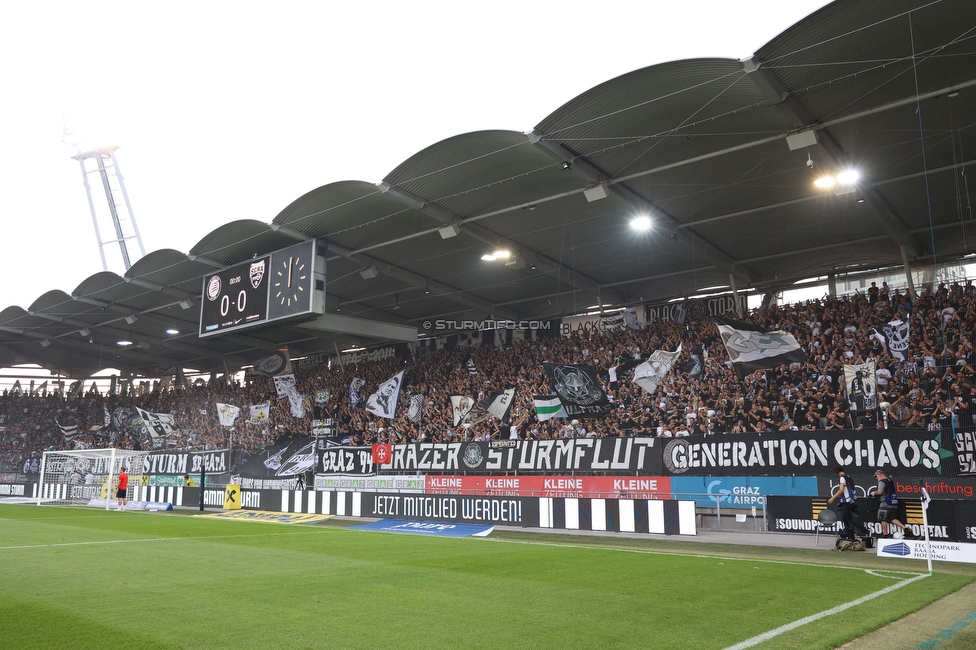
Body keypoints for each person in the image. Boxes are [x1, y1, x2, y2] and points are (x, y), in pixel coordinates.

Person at [873, 469, 910, 538]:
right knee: (892, 518)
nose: (876, 478)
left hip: (885, 503)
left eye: (876, 476)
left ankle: (885, 534)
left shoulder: (882, 482)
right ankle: (905, 528)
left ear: (879, 475)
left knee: (882, 518)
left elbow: (880, 492)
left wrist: (874, 493)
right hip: (893, 502)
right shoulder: (890, 481)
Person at [827, 465, 859, 540]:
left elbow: (841, 490)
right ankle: (850, 535)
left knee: (848, 519)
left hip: (847, 501)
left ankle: (864, 530)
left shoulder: (842, 478)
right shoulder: (849, 477)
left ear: (838, 473)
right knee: (844, 519)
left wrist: (832, 498)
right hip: (851, 500)